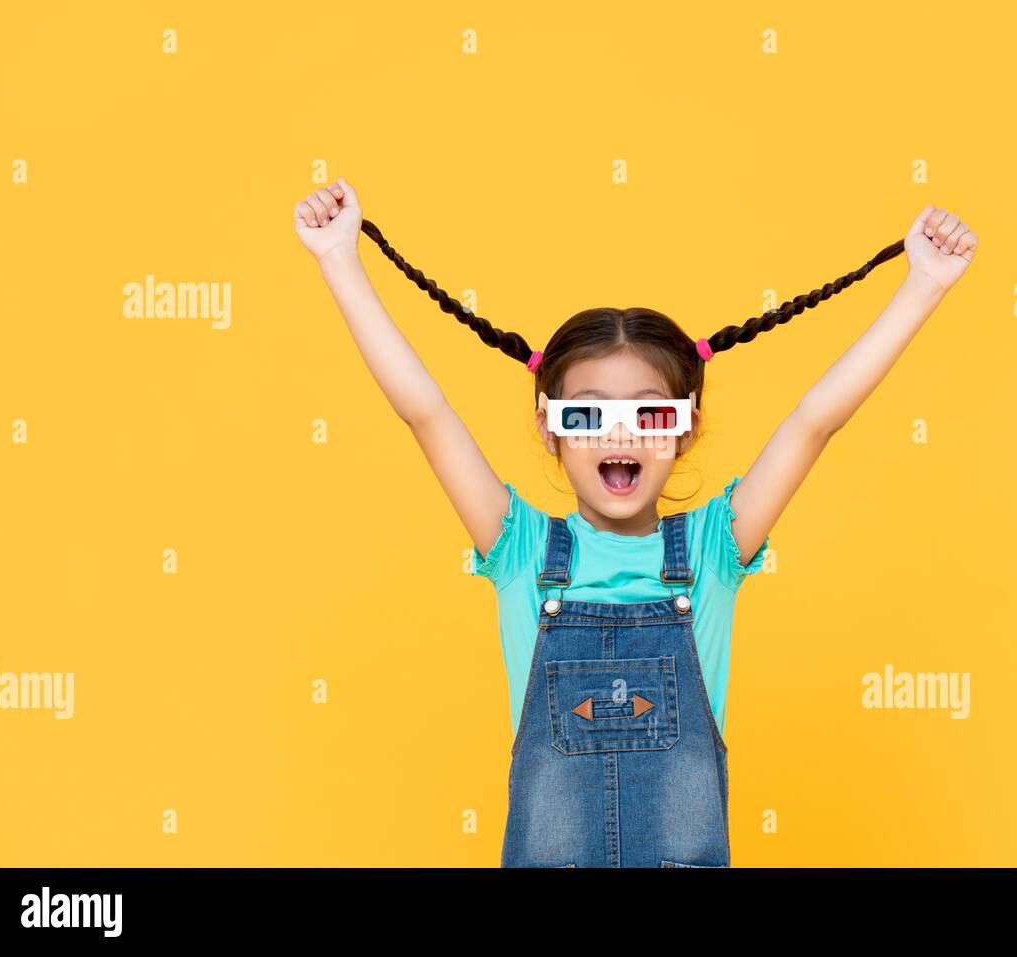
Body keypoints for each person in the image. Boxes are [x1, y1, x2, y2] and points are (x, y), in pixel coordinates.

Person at [293, 177, 978, 866]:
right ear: (550, 431)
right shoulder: (522, 549)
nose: (618, 435)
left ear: (685, 431)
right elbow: (426, 411)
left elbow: (815, 419)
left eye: (649, 412)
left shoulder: (713, 549)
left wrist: (922, 284)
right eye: (586, 414)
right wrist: (339, 259)